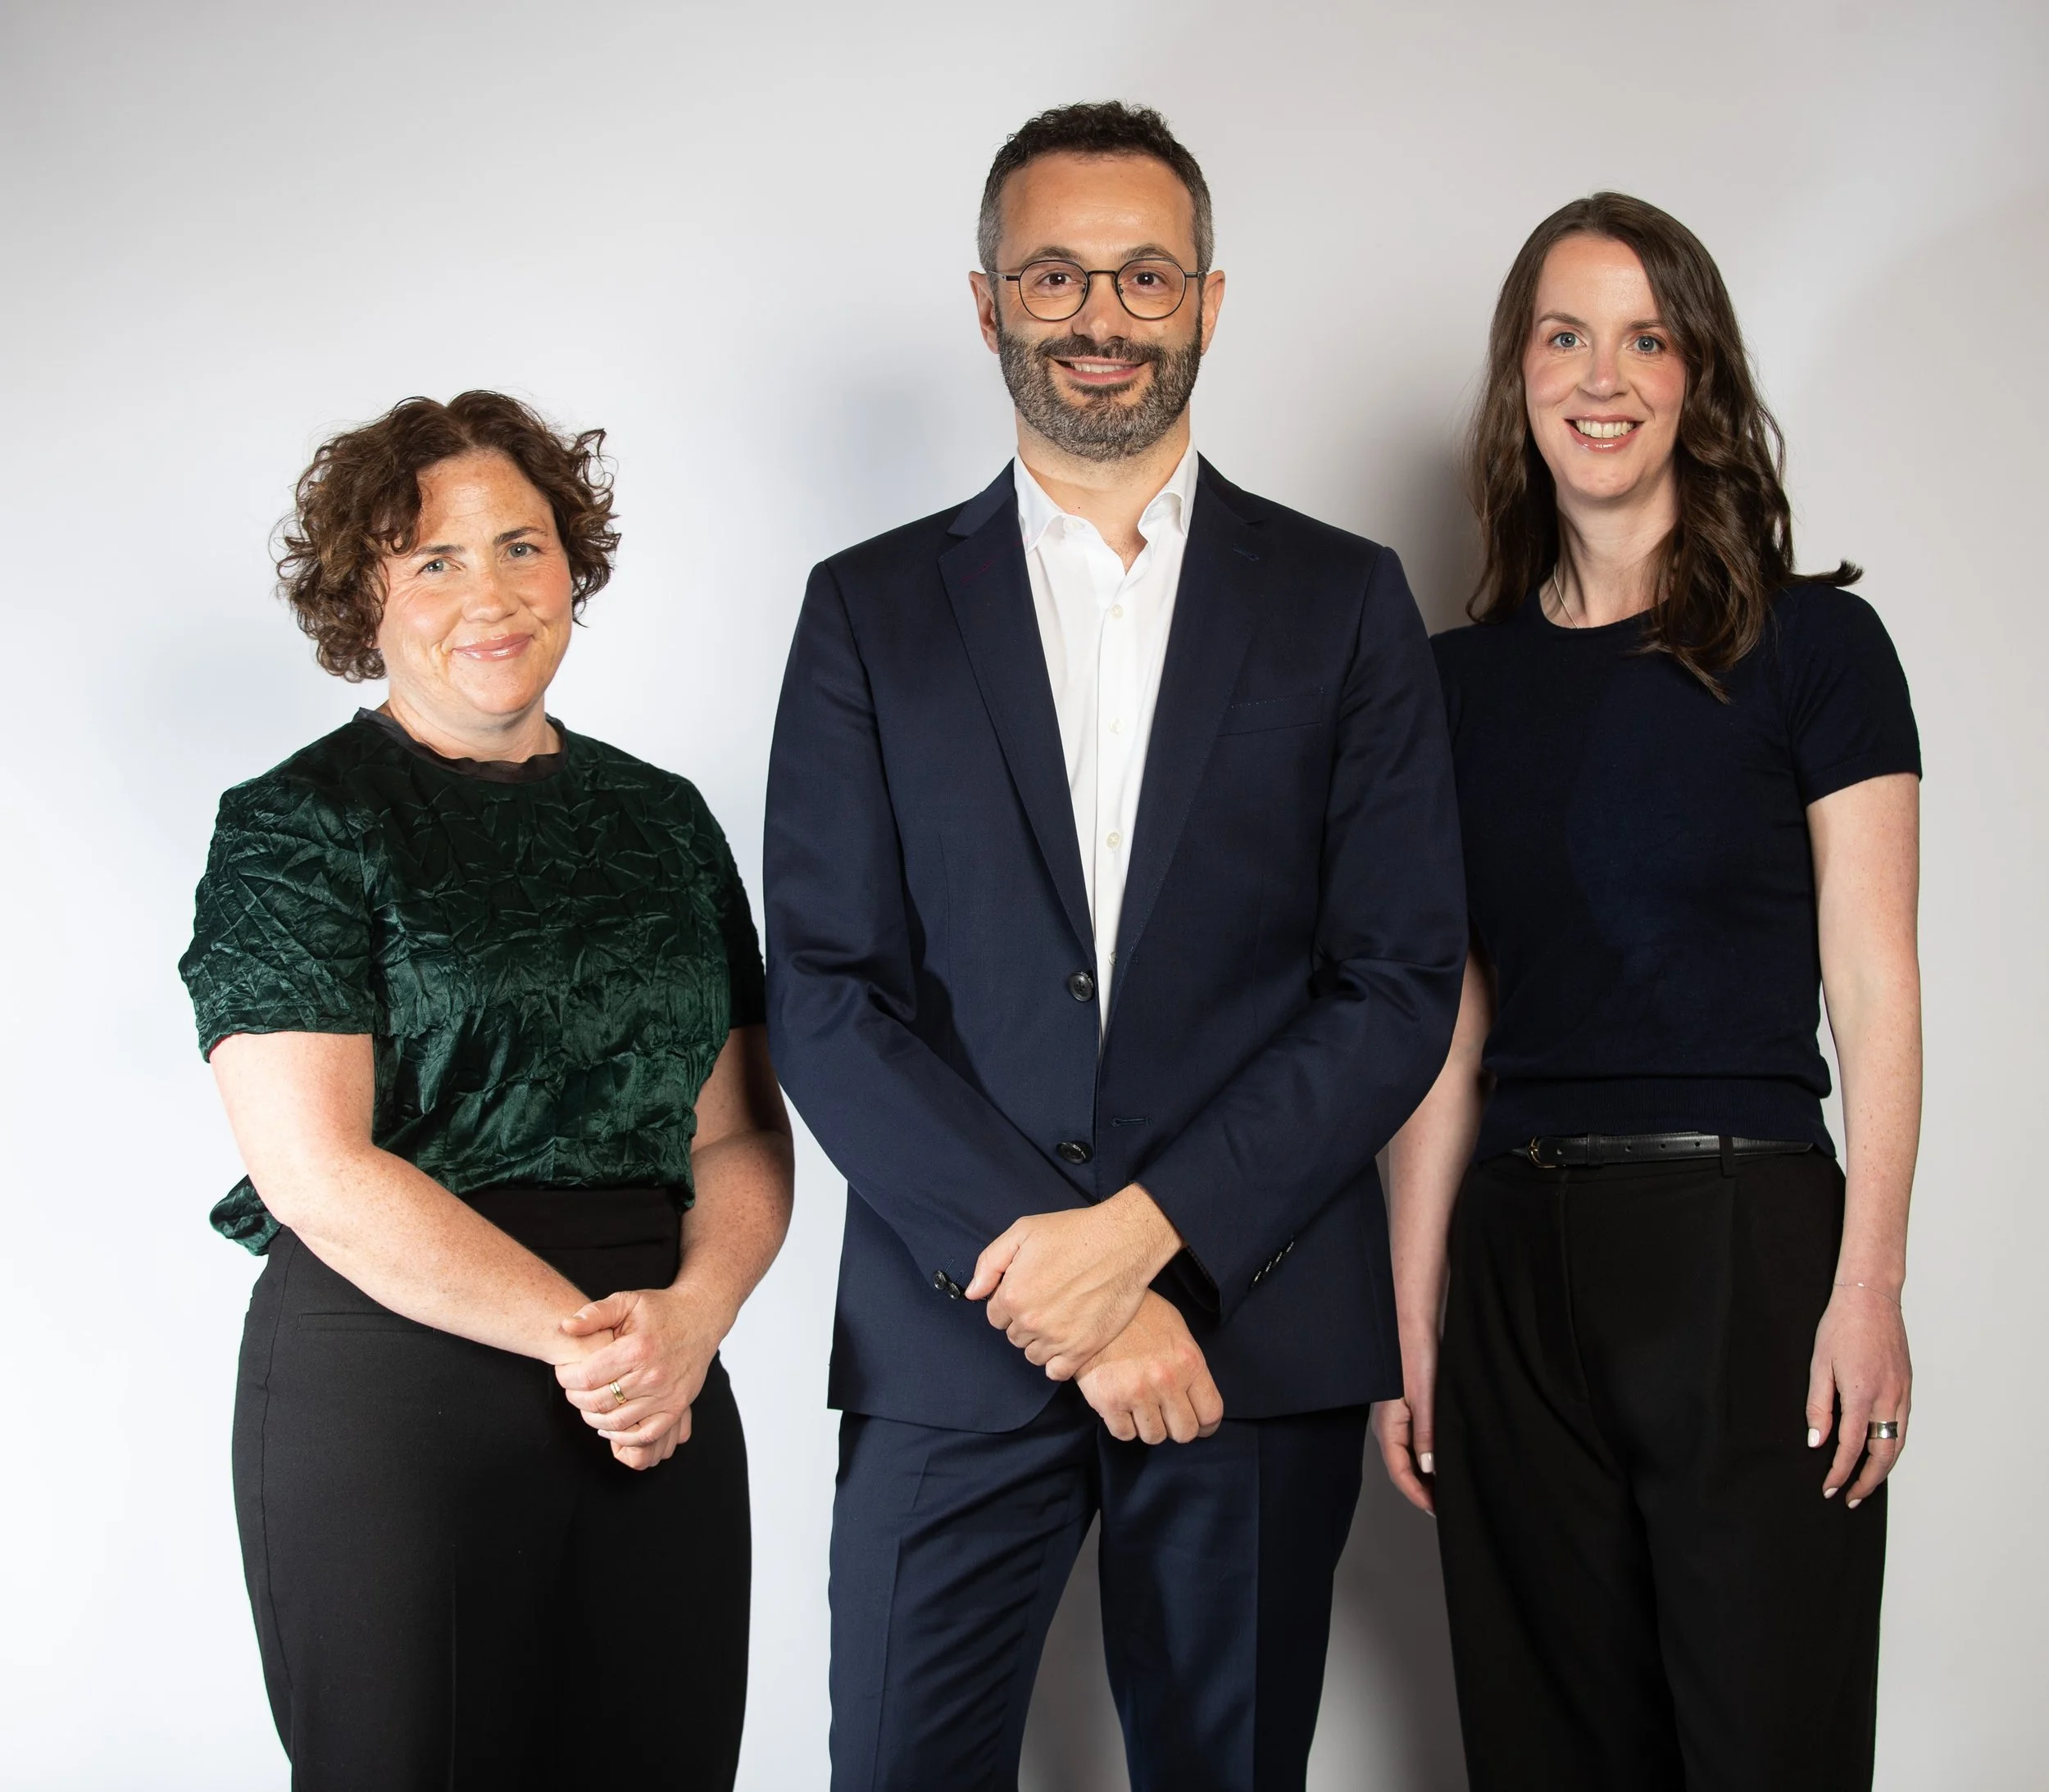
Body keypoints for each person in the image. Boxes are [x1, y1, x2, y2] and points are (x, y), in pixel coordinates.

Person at [765, 102, 1466, 1792]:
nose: (1099, 315)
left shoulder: (1342, 600)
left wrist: (1155, 1240)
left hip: (1250, 1331)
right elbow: (826, 995)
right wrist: (1063, 1287)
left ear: (1208, 303)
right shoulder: (865, 608)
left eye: (1142, 275)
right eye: (1055, 275)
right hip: (954, 1333)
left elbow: (1393, 988)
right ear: (986, 302)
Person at [1374, 194, 1920, 1790]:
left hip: (1743, 1247)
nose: (1597, 374)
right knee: (1546, 1753)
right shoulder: (1447, 685)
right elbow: (1445, 1018)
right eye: (1561, 334)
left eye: (1641, 335)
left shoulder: (1817, 649)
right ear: (1516, 378)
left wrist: (1867, 1284)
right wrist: (1410, 1329)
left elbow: (1872, 982)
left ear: (1694, 377)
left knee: (1765, 1749)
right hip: (1510, 1263)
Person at [179, 391, 792, 1790]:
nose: (490, 593)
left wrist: (691, 1320)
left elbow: (741, 1125)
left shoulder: (664, 817)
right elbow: (315, 1168)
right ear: (364, 595)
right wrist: (592, 1344)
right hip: (403, 1385)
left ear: (573, 562)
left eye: (522, 545)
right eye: (434, 559)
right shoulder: (298, 822)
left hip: (664, 1382)